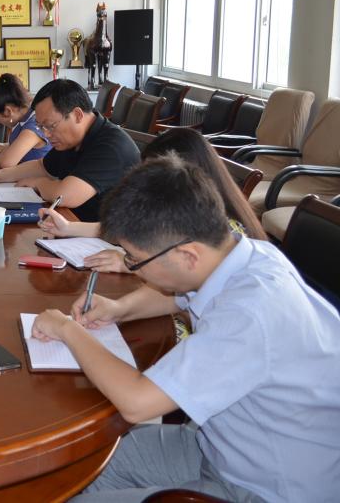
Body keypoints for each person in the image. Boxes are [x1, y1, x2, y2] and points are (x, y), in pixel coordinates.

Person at [31, 156, 340, 502]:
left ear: (188, 256)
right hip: (222, 446)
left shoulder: (250, 313)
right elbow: (179, 297)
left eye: (135, 259)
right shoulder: (244, 254)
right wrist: (120, 309)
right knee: (77, 470)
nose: (133, 268)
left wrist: (68, 330)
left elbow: (136, 402)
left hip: (265, 488)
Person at [38, 127, 268, 272]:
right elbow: (132, 230)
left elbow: (190, 282)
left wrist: (130, 264)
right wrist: (68, 227)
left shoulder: (222, 230)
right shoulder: (184, 209)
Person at [0, 79, 139, 222]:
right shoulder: (72, 138)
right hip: (71, 222)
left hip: (107, 239)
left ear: (77, 115)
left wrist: (37, 183)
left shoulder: (111, 146)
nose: (46, 134)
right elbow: (42, 166)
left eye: (50, 126)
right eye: (41, 127)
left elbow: (65, 196)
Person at [0, 73, 51, 167]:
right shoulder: (26, 118)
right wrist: (5, 146)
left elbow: (6, 163)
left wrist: (6, 151)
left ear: (8, 111)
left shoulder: (33, 126)